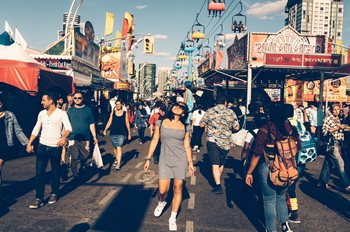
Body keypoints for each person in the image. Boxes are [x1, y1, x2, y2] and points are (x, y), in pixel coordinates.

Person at [144, 102, 195, 231]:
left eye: (182, 107)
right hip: (165, 159)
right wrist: (148, 158)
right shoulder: (161, 123)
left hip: (180, 159)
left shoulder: (185, 127)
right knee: (163, 191)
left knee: (178, 188)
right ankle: (162, 202)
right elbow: (155, 140)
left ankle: (172, 218)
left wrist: (190, 163)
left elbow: (187, 146)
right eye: (176, 105)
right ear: (171, 108)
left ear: (184, 112)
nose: (178, 107)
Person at [245, 103, 296, 232]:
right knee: (281, 196)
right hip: (286, 168)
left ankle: (271, 229)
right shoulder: (290, 128)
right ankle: (285, 225)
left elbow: (257, 153)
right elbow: (297, 148)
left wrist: (249, 172)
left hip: (268, 167)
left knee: (269, 200)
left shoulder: (265, 129)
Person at [26, 92, 72, 209]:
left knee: (55, 172)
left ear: (51, 101)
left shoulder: (61, 114)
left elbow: (68, 128)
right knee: (39, 173)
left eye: (43, 100)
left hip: (55, 147)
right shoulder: (41, 113)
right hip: (42, 146)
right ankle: (39, 198)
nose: (41, 102)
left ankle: (54, 193)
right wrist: (29, 142)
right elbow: (37, 128)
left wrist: (63, 138)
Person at [200, 95, 239, 194]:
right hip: (226, 142)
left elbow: (201, 124)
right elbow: (237, 127)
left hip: (212, 140)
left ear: (215, 102)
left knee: (215, 163)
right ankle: (217, 182)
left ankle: (218, 186)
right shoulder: (230, 112)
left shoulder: (210, 111)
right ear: (225, 102)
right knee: (220, 162)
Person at [0, 97, 28, 207]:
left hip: (4, 146)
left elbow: (18, 130)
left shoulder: (9, 115)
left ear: (2, 103)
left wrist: (27, 143)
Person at [317, 104, 350, 192]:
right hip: (331, 143)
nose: (336, 111)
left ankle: (322, 182)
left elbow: (340, 129)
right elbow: (325, 131)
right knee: (340, 163)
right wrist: (338, 127)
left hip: (338, 142)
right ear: (331, 110)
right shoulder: (328, 118)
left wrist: (344, 128)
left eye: (338, 109)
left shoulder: (337, 118)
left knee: (328, 163)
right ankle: (347, 184)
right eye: (334, 110)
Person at [67, 92, 98, 181]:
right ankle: (75, 175)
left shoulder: (88, 110)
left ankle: (82, 167)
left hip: (85, 138)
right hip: (73, 138)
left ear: (82, 99)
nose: (77, 100)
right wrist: (64, 137)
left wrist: (94, 136)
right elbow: (67, 125)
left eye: (79, 98)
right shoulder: (70, 110)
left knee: (84, 156)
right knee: (74, 157)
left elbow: (91, 124)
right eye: (75, 98)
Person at [103, 100, 131, 171]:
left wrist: (129, 133)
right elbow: (109, 121)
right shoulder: (113, 113)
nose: (118, 105)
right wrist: (105, 129)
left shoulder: (125, 113)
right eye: (116, 104)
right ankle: (117, 158)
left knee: (119, 147)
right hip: (113, 132)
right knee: (115, 148)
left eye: (119, 104)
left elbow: (127, 123)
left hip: (121, 133)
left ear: (121, 105)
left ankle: (118, 164)